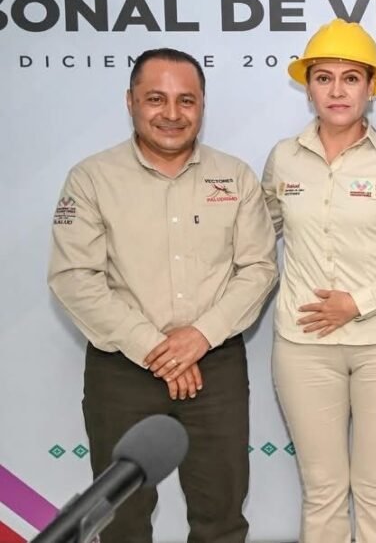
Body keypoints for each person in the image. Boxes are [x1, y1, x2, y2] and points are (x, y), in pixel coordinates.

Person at [48, 48, 278, 543]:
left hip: (214, 366)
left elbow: (258, 268)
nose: (172, 114)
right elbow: (74, 277)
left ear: (202, 105)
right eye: (156, 99)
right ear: (130, 101)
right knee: (121, 521)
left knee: (221, 515)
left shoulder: (235, 176)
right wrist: (156, 348)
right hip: (122, 370)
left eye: (186, 100)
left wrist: (200, 336)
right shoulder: (91, 179)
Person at [262, 19, 376, 543]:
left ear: (370, 87)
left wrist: (356, 303)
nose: (337, 91)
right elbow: (258, 236)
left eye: (351, 78)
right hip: (303, 346)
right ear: (308, 87)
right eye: (324, 78)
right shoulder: (283, 158)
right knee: (322, 491)